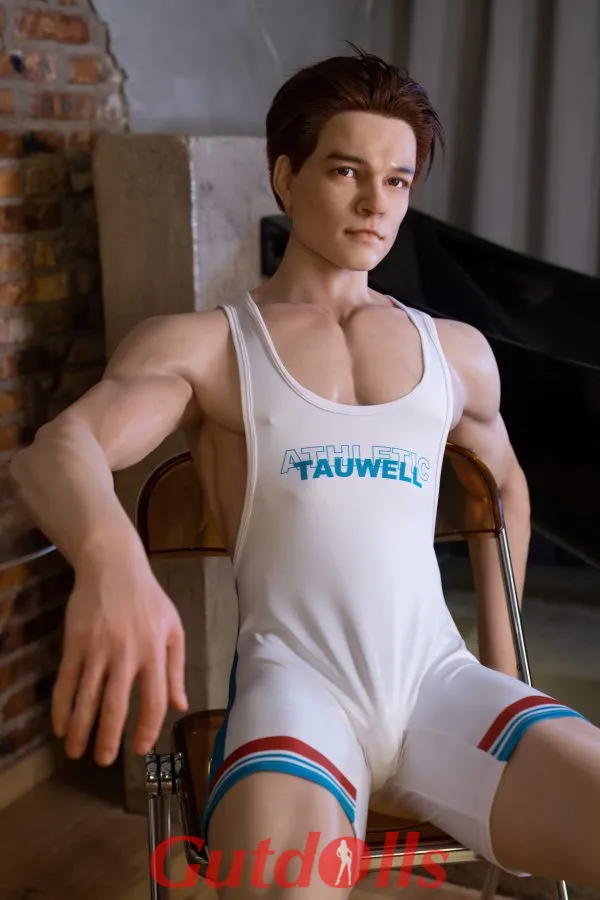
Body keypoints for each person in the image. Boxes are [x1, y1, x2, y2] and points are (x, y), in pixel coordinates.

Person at [9, 46, 600, 897]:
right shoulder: (210, 347)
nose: (375, 203)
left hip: (441, 684)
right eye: (346, 170)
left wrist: (505, 670)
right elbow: (55, 451)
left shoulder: (457, 353)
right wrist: (113, 563)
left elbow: (502, 485)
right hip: (296, 695)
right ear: (286, 177)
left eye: (397, 181)